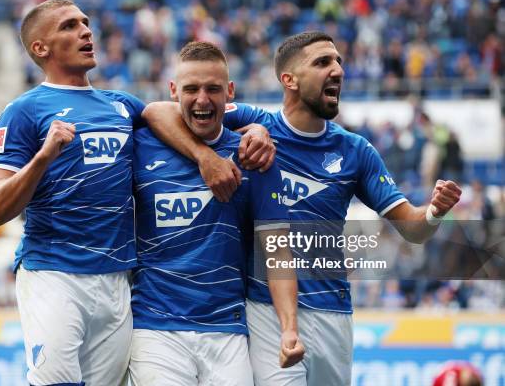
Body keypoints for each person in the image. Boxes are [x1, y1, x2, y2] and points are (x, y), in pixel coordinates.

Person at [143, 31, 462, 386]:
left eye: (339, 61)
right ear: (289, 79)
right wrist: (206, 156)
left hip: (331, 310)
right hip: (264, 307)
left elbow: (412, 228)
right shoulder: (253, 121)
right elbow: (160, 112)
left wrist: (434, 211)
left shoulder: (355, 151)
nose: (338, 70)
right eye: (323, 62)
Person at [0, 0, 272, 386]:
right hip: (54, 271)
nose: (86, 31)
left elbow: (169, 111)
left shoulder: (119, 105)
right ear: (40, 48)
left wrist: (251, 130)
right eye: (69, 26)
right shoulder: (24, 111)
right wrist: (43, 157)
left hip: (118, 281)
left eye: (85, 22)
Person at [129, 41, 303, 386]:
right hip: (155, 328)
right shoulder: (139, 145)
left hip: (227, 330)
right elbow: (151, 111)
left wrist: (289, 329)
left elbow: (277, 249)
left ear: (230, 92)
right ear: (174, 92)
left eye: (213, 89)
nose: (202, 100)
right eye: (191, 89)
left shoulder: (255, 157)